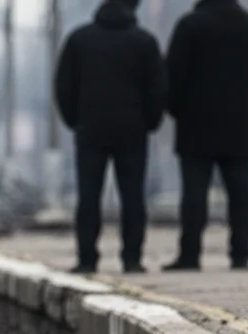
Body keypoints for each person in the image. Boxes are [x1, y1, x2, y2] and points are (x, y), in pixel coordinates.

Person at [55, 0, 166, 274]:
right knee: (133, 197)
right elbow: (158, 88)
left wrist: (75, 120)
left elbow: (64, 86)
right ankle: (131, 258)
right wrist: (149, 122)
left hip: (91, 129)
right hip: (132, 130)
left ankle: (87, 259)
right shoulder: (144, 42)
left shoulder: (79, 40)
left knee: (89, 196)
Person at [164, 0, 248, 271]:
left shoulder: (189, 26)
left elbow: (171, 76)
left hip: (195, 125)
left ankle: (190, 256)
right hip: (238, 125)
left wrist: (179, 111)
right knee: (239, 194)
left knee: (194, 195)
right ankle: (241, 255)